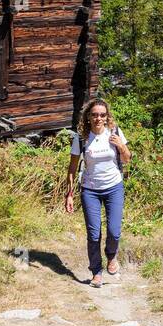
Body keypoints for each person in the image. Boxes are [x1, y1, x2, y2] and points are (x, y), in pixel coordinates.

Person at [65, 99, 130, 286]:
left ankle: (111, 256)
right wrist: (69, 194)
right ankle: (96, 271)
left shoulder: (115, 132)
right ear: (88, 117)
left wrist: (121, 146)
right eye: (94, 115)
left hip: (114, 187)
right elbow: (72, 167)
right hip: (90, 190)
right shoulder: (81, 138)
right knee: (94, 234)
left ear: (107, 116)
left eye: (102, 115)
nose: (98, 118)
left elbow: (126, 159)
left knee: (114, 231)